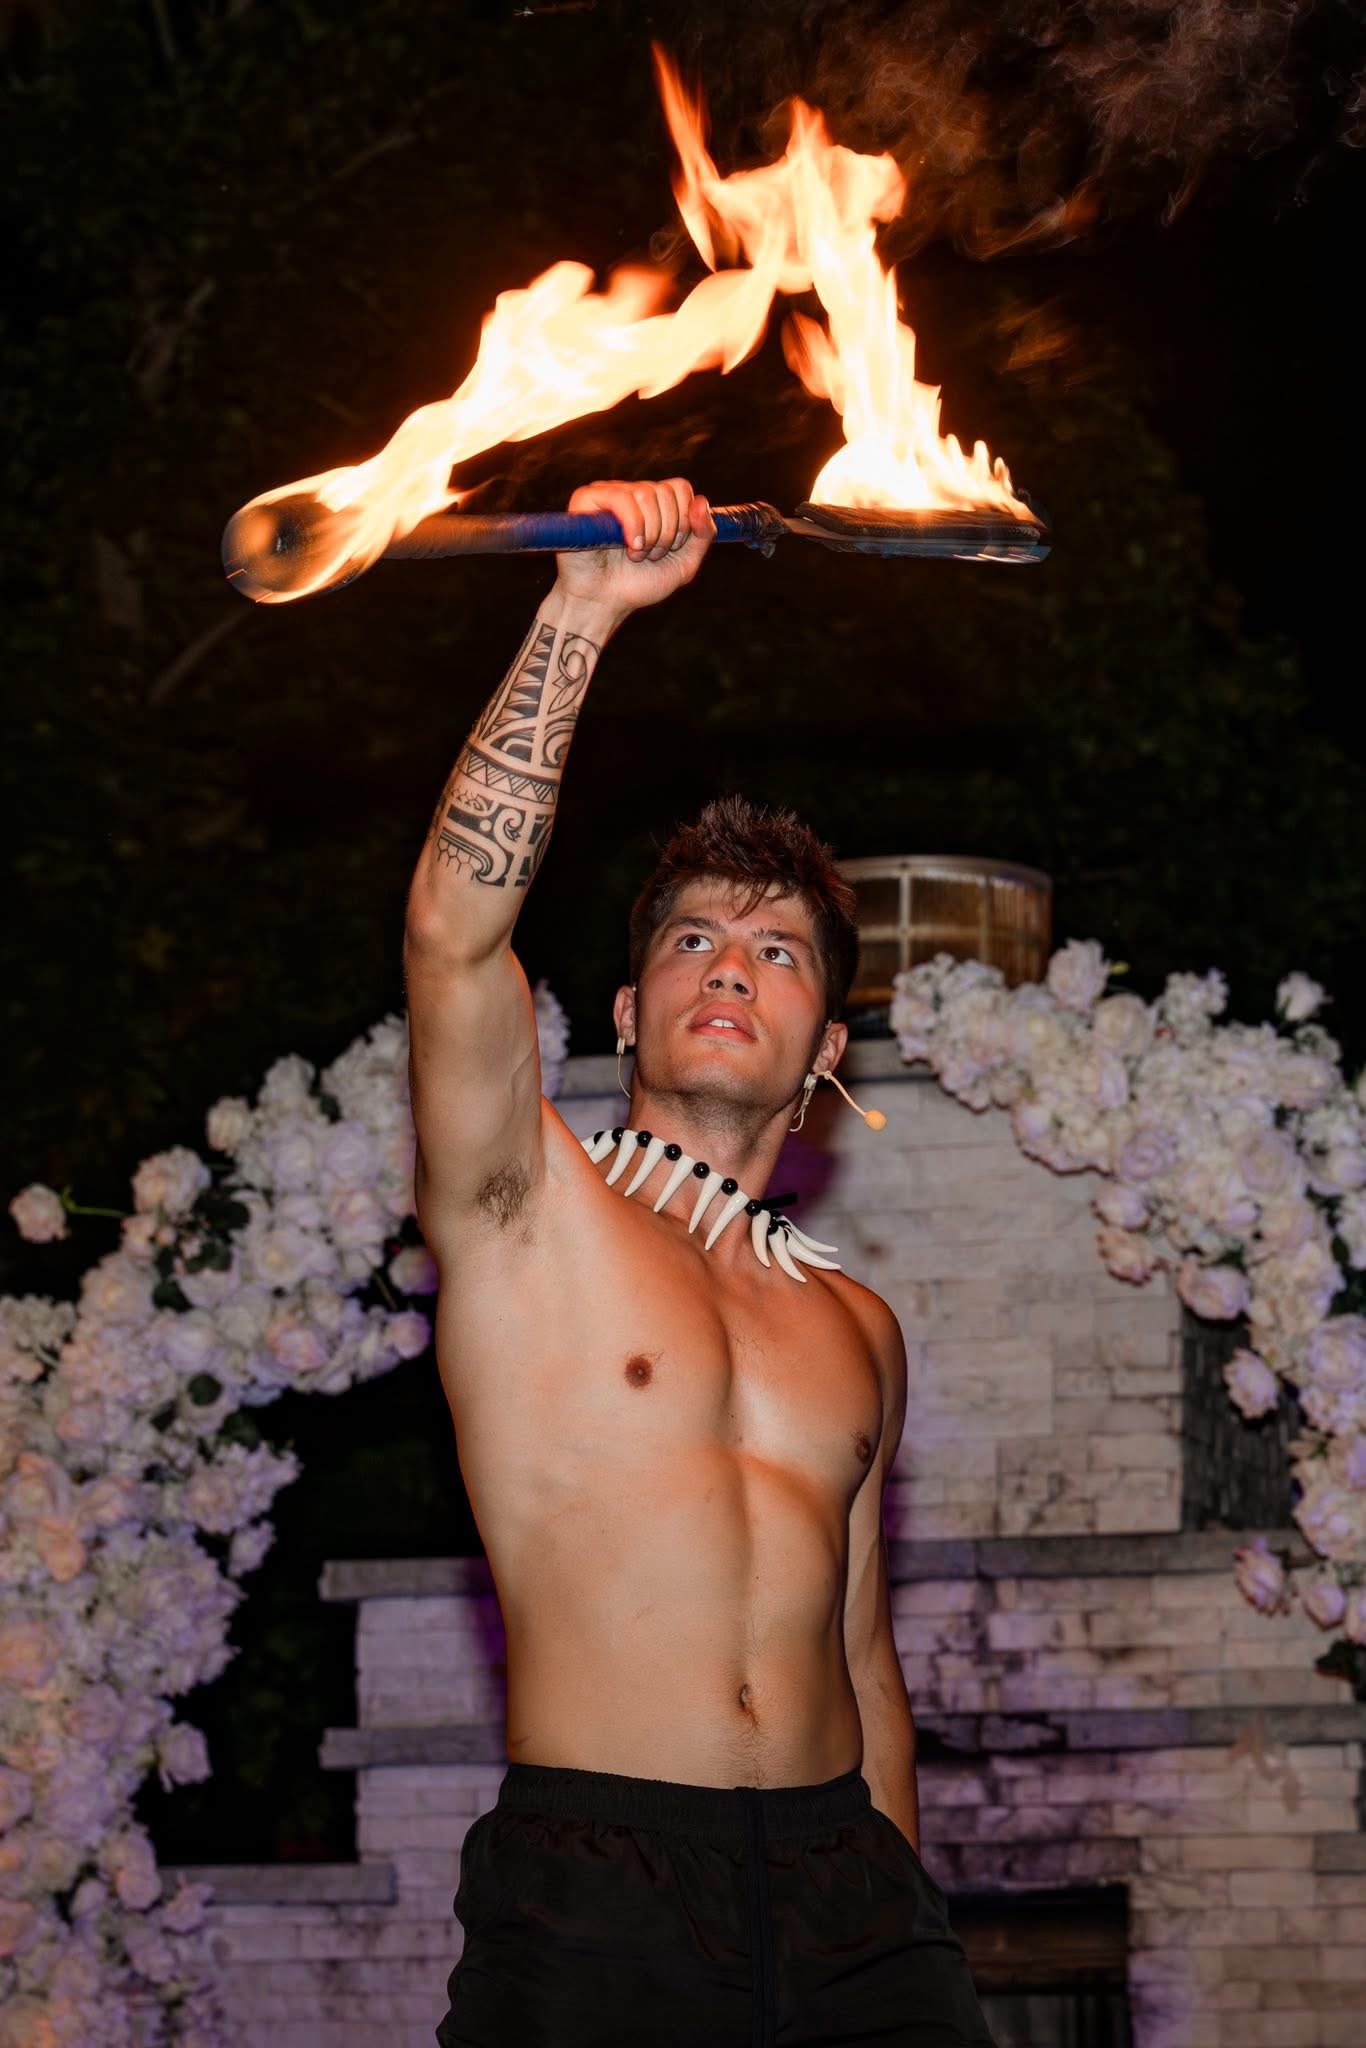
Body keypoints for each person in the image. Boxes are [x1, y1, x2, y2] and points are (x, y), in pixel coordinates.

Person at [404, 476, 997, 2046]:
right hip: (597, 1897)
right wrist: (579, 616)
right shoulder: (526, 1211)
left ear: (823, 1048)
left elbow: (864, 1658)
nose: (733, 964)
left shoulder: (854, 1326)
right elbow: (454, 939)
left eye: (780, 952)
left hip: (848, 1900)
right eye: (691, 942)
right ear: (622, 1014)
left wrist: (902, 1920)